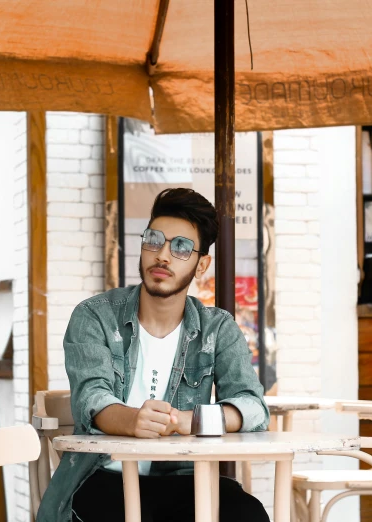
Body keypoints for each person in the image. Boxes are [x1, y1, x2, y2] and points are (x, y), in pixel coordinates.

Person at [37, 188, 270, 522]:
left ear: (202, 263)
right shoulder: (95, 317)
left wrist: (197, 420)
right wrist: (132, 420)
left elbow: (254, 406)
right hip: (102, 478)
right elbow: (92, 397)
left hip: (183, 479)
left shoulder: (217, 329)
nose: (163, 255)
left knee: (247, 514)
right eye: (154, 240)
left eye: (181, 247)